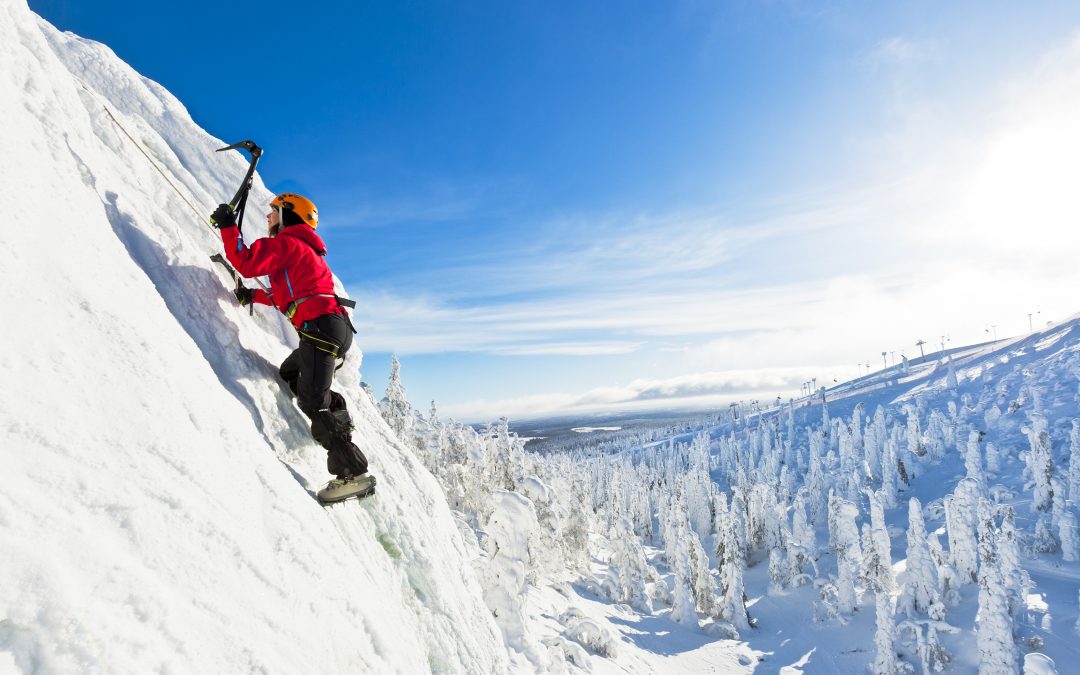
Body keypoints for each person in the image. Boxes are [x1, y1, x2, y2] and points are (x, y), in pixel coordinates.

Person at [211, 194, 373, 502]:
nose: (268, 216)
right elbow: (286, 295)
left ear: (289, 214)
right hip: (329, 326)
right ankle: (337, 422)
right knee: (291, 373)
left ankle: (352, 474)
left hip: (320, 328)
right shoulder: (301, 250)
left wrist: (228, 226)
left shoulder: (288, 243)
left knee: (313, 399)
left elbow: (247, 263)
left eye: (273, 211)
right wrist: (253, 297)